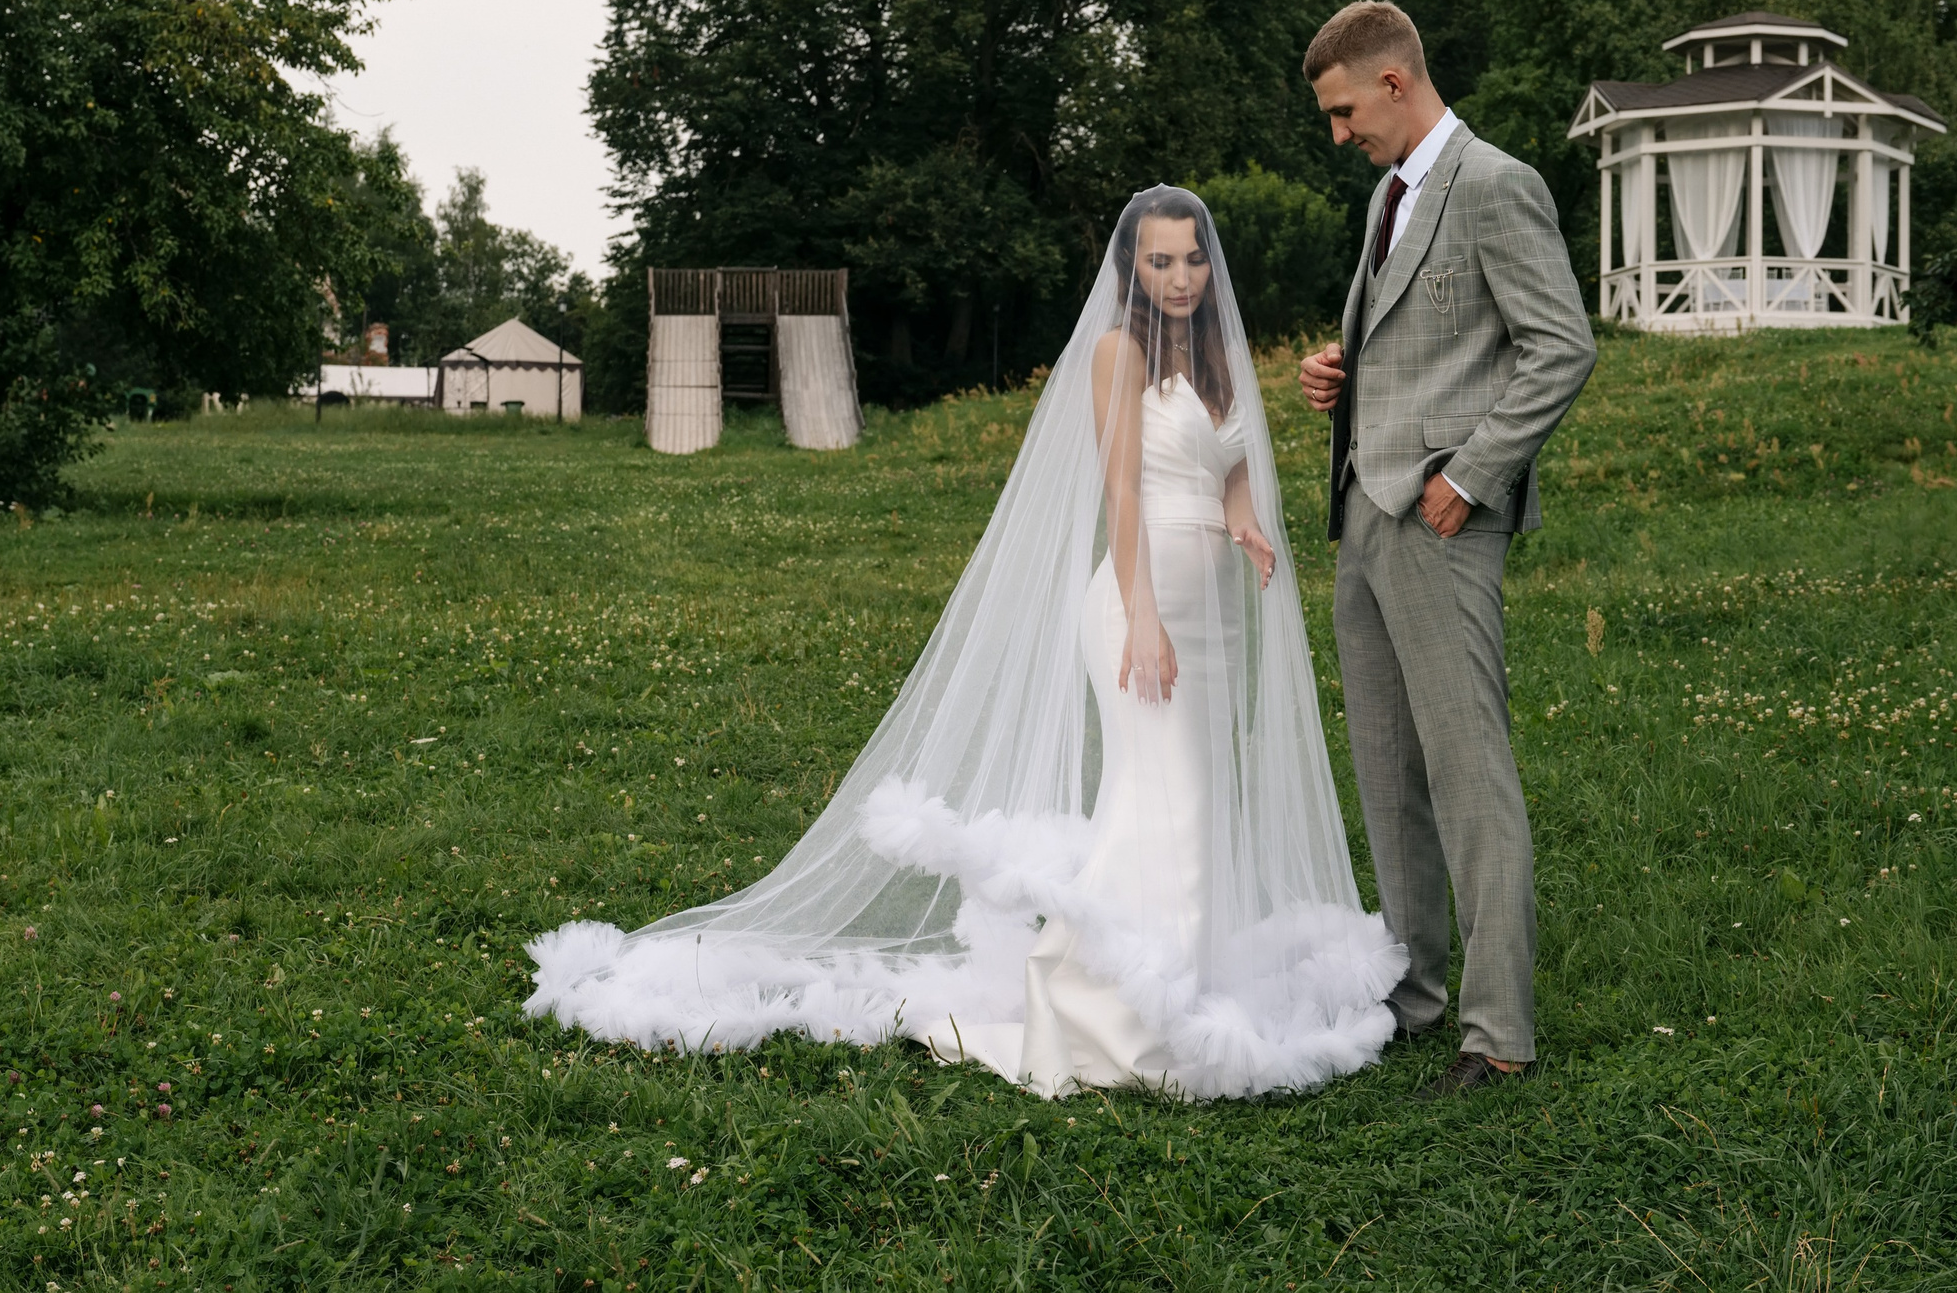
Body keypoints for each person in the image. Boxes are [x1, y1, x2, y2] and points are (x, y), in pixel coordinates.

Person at [528, 187, 1404, 1100]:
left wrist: (1245, 523)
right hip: (1141, 606)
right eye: (1159, 261)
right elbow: (1123, 492)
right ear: (1131, 272)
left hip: (1212, 607)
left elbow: (1220, 462)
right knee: (1165, 797)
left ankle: (1170, 983)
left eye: (1191, 259)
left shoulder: (1216, 355)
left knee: (1194, 797)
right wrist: (1141, 612)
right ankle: (1106, 1010)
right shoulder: (1118, 352)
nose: (1180, 277)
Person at [1296, 1, 1597, 1097]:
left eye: (1341, 113)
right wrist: (1339, 377)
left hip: (1440, 521)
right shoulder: (1390, 196)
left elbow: (1560, 348)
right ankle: (1414, 992)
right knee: (1387, 772)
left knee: (1468, 775)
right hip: (1361, 518)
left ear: (1390, 80)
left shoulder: (1494, 182)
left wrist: (1467, 476)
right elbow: (1427, 344)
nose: (1338, 137)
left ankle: (1498, 1031)